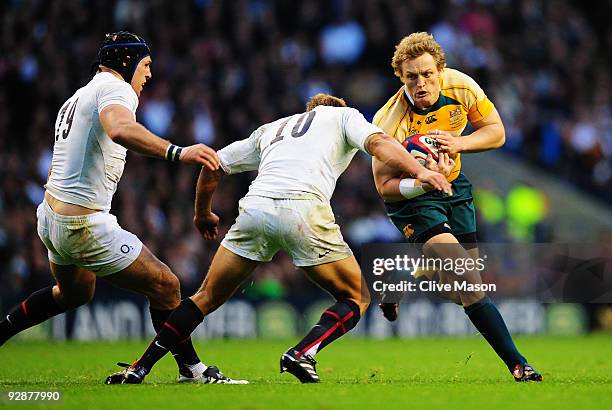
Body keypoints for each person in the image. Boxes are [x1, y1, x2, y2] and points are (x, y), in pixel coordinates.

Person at [105, 93, 453, 384]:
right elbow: (380, 143)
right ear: (333, 107)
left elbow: (213, 164)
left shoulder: (272, 129)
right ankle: (302, 353)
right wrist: (421, 171)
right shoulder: (344, 115)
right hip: (303, 207)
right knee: (357, 295)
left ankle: (140, 368)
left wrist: (203, 213)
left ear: (309, 110)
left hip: (256, 207)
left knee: (205, 297)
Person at [0, 31, 244, 384]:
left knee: (73, 293)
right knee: (166, 285)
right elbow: (119, 129)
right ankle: (193, 370)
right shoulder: (116, 89)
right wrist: (179, 152)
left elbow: (57, 166)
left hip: (51, 218)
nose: (149, 76)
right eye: (146, 66)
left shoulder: (77, 97)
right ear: (127, 63)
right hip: (82, 224)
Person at [371, 32, 542, 382]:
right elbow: (383, 187)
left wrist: (460, 143)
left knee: (460, 289)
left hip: (455, 188)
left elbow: (497, 132)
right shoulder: (387, 121)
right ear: (401, 78)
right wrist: (421, 181)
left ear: (440, 70)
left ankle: (399, 279)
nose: (421, 83)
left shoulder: (461, 87)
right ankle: (519, 364)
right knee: (466, 274)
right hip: (412, 200)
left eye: (427, 74)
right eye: (411, 77)